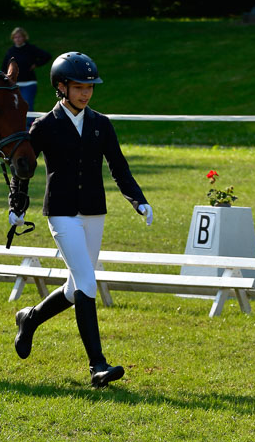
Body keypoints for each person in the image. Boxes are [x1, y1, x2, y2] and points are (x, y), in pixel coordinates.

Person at [8, 51, 153, 389]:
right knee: (87, 283)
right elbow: (24, 167)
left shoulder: (101, 124)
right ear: (61, 87)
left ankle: (29, 319)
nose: (86, 93)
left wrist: (138, 200)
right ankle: (97, 366)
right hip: (60, 213)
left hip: (94, 211)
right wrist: (17, 203)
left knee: (76, 287)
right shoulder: (44, 126)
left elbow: (119, 168)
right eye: (78, 87)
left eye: (90, 87)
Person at [2, 27, 50, 123]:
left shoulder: (30, 48)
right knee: (14, 106)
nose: (18, 39)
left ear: (24, 37)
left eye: (19, 37)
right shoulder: (11, 51)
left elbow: (47, 56)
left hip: (29, 83)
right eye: (15, 37)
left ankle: (29, 128)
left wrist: (36, 64)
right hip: (15, 84)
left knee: (28, 105)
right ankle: (16, 127)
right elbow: (4, 67)